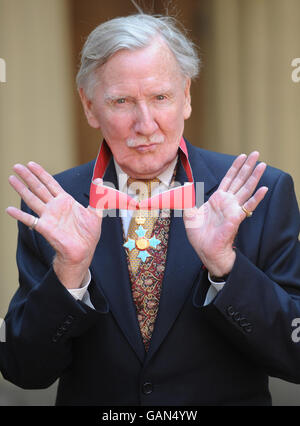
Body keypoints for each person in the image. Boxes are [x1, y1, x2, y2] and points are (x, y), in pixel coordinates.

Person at [1, 13, 300, 406]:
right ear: (90, 107)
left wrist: (226, 267)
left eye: (160, 97)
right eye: (122, 101)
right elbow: (25, 370)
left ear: (186, 97)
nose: (145, 124)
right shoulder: (54, 203)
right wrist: (69, 274)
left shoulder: (261, 192)